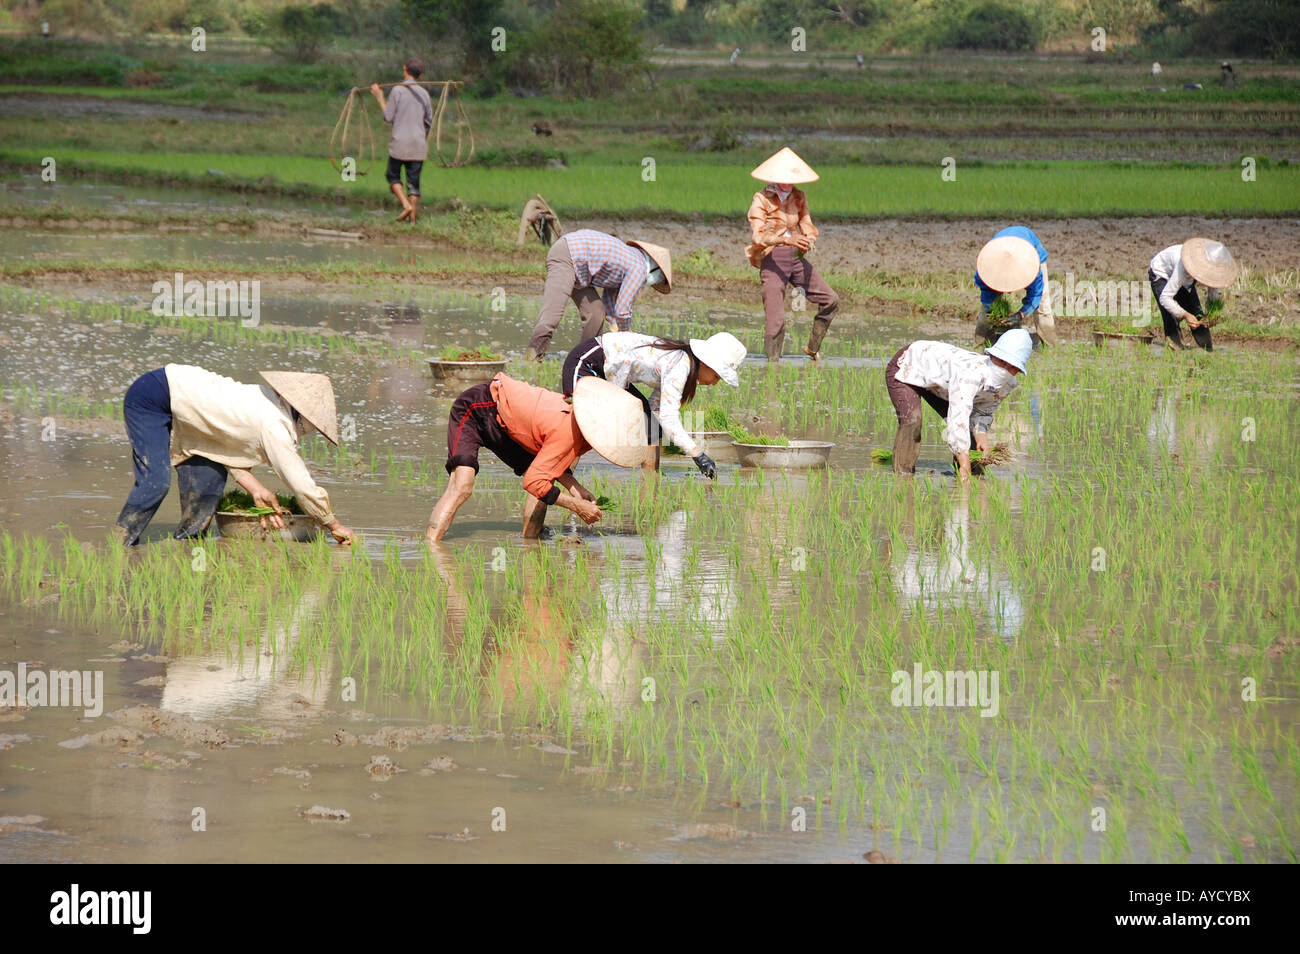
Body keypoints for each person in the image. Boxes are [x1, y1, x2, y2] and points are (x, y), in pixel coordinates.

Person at [114, 366, 356, 546]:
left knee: (208, 487)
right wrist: (333, 524)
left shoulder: (266, 402)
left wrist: (256, 489)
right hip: (152, 397)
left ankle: (187, 548)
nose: (308, 432)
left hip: (194, 422)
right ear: (304, 418)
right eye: (312, 427)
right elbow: (301, 485)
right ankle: (119, 544)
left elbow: (224, 444)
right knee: (156, 482)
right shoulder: (274, 424)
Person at [426, 373, 645, 543]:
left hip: (508, 429)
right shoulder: (568, 430)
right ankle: (432, 550)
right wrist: (577, 507)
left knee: (544, 477)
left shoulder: (583, 435)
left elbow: (553, 463)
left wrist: (575, 488)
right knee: (462, 485)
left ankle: (530, 541)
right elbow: (532, 482)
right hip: (478, 407)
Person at [561, 331, 747, 479]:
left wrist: (673, 439)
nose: (715, 383)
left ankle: (650, 484)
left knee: (651, 426)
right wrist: (697, 453)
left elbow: (656, 408)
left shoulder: (684, 366)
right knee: (580, 429)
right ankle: (557, 479)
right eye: (717, 376)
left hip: (612, 374)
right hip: (589, 362)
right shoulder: (680, 366)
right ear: (706, 363)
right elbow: (668, 418)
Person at [885, 329, 1033, 483]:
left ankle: (973, 480)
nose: (1005, 370)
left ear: (1018, 371)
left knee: (971, 436)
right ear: (993, 356)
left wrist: (981, 434)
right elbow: (958, 418)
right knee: (912, 421)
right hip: (908, 366)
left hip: (941, 384)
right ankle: (903, 478)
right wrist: (963, 459)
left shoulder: (1008, 384)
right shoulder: (970, 375)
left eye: (1012, 367)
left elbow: (983, 411)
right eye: (1002, 362)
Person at [745, 147, 838, 362]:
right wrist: (786, 239)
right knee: (776, 320)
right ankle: (772, 366)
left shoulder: (799, 196)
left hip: (796, 258)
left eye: (791, 178)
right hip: (772, 259)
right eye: (782, 178)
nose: (787, 183)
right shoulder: (761, 199)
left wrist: (809, 240)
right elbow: (758, 237)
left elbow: (807, 224)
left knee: (831, 299)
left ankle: (813, 347)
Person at [523, 229, 672, 360]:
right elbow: (623, 309)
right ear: (655, 270)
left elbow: (611, 304)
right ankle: (532, 358)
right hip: (568, 257)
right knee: (552, 315)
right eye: (658, 279)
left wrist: (615, 324)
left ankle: (583, 358)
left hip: (580, 270)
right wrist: (626, 334)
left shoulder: (628, 259)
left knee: (596, 313)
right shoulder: (638, 267)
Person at [370, 58, 433, 224]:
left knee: (392, 176)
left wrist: (379, 96)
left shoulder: (398, 90)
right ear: (420, 75)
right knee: (414, 183)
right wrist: (423, 142)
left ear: (404, 69)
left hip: (400, 143)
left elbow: (388, 116)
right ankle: (412, 222)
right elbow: (429, 123)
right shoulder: (425, 94)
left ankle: (406, 205)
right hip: (419, 145)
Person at [1148, 238, 1238, 351]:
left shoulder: (1210, 268)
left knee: (1198, 315)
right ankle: (1174, 347)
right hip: (1162, 274)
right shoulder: (1183, 267)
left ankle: (1208, 350)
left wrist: (1211, 315)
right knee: (1170, 317)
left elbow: (1213, 289)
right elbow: (1165, 298)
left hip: (1185, 281)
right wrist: (1185, 315)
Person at [974, 226, 1057, 346]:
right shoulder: (985, 270)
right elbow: (987, 297)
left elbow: (1036, 294)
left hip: (1030, 250)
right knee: (986, 312)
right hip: (1000, 251)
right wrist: (992, 310)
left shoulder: (1032, 267)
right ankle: (980, 344)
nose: (1007, 292)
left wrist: (1021, 314)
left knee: (1043, 307)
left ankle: (1050, 345)